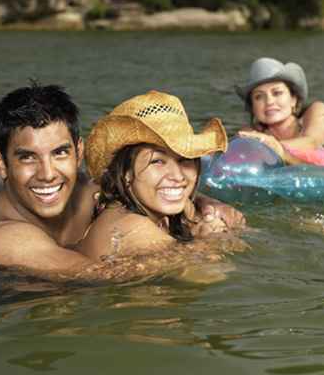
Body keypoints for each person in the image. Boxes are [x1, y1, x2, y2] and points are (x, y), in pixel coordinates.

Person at [0, 83, 244, 279]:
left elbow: (152, 188)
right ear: (1, 164)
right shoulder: (5, 240)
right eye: (27, 157)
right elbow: (101, 276)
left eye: (60, 153)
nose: (47, 173)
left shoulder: (85, 192)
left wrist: (206, 204)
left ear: (79, 152)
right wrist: (208, 246)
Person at [77, 91, 241, 261]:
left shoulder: (127, 208)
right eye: (157, 162)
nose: (177, 176)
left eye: (184, 160)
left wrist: (209, 207)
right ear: (126, 173)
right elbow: (208, 277)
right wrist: (210, 241)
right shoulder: (135, 229)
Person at [235, 57, 324, 166]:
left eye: (277, 93)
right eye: (259, 97)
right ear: (253, 106)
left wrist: (268, 145)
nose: (269, 101)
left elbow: (311, 143)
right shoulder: (254, 134)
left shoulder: (317, 111)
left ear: (294, 99)